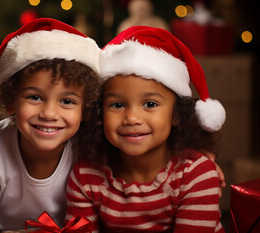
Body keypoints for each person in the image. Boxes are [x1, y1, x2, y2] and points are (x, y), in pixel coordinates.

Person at [66, 26, 226, 232]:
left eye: (150, 104)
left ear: (177, 115)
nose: (132, 118)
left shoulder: (196, 174)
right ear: (99, 114)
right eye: (117, 105)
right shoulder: (86, 176)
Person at [0, 18, 101, 233]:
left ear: (85, 108)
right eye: (35, 97)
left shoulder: (88, 146)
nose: (50, 114)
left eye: (67, 101)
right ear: (11, 100)